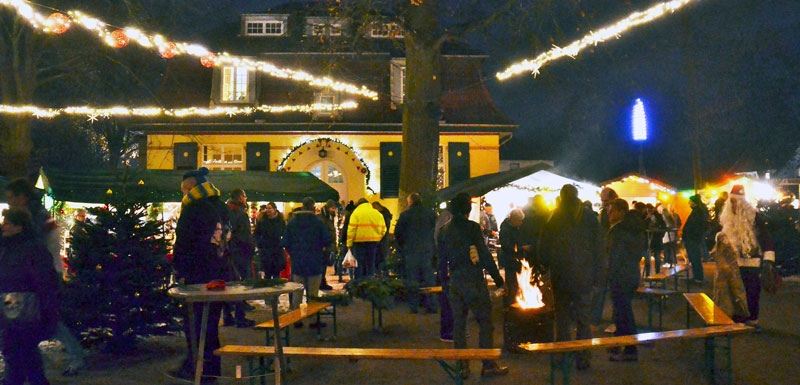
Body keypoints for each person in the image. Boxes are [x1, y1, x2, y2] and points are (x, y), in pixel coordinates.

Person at [6, 178, 86, 376]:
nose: (9, 202)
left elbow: (45, 247)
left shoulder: (38, 217)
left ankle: (70, 357)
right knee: (27, 322)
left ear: (22, 197)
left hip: (41, 275)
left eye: (11, 198)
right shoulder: (33, 215)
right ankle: (23, 366)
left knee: (47, 318)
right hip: (33, 275)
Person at [437, 192, 508, 378]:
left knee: (459, 326)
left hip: (455, 282)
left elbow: (440, 261)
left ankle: (462, 366)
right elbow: (484, 255)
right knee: (485, 322)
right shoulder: (472, 228)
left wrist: (445, 283)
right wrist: (499, 280)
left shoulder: (444, 230)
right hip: (474, 281)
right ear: (467, 210)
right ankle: (488, 364)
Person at [170, 167, 229, 384]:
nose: (183, 194)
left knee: (194, 325)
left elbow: (183, 243)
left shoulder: (193, 208)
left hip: (197, 276)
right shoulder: (220, 207)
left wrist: (179, 270)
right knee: (211, 325)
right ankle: (211, 369)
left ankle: (198, 370)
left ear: (194, 188)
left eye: (186, 189)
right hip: (220, 274)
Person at [539, 185, 600, 370]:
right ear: (577, 196)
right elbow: (599, 248)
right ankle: (584, 358)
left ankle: (562, 357)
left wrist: (545, 265)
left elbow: (544, 245)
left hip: (561, 276)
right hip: (583, 275)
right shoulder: (589, 217)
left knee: (562, 318)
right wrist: (597, 275)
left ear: (561, 196)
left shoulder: (554, 216)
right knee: (583, 317)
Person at [0, 208, 61, 385]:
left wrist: (47, 308)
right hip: (11, 304)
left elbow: (44, 281)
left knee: (20, 349)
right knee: (21, 351)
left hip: (25, 306)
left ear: (19, 227)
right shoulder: (9, 245)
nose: (4, 226)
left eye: (8, 223)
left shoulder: (30, 249)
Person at [717, 185, 776, 328]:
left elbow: (765, 238)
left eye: (736, 201)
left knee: (752, 291)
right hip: (733, 262)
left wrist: (768, 260)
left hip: (751, 262)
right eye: (731, 201)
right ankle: (739, 318)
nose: (733, 204)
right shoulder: (727, 218)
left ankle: (753, 318)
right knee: (735, 291)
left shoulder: (754, 217)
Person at [283, 197, 333, 328]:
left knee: (297, 293)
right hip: (315, 262)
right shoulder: (318, 222)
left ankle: (296, 319)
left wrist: (293, 253)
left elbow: (285, 242)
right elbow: (327, 240)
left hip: (298, 262)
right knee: (313, 294)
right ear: (313, 207)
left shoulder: (292, 223)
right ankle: (312, 320)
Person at [605, 198, 644, 361]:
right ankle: (619, 343)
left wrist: (608, 275)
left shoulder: (620, 231)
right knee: (621, 312)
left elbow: (615, 257)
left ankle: (630, 350)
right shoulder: (631, 228)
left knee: (624, 314)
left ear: (621, 212)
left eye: (611, 210)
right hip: (630, 275)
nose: (608, 213)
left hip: (621, 277)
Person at [394, 192, 438, 313]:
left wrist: (402, 247)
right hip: (427, 250)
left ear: (411, 202)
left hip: (411, 251)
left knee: (412, 279)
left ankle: (414, 306)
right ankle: (431, 304)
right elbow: (437, 231)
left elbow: (398, 234)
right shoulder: (431, 214)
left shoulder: (405, 215)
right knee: (429, 278)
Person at [222, 188, 256, 328]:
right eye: (245, 197)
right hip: (240, 253)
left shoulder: (225, 211)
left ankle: (227, 316)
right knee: (241, 285)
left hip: (227, 253)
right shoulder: (240, 214)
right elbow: (245, 236)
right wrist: (250, 249)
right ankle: (240, 317)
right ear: (241, 198)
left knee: (228, 284)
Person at [498, 208, 525, 351]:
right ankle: (510, 305)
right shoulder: (507, 229)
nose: (521, 224)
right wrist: (520, 248)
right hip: (510, 262)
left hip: (513, 261)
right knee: (512, 285)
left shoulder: (512, 228)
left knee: (515, 285)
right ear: (514, 220)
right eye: (519, 221)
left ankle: (512, 302)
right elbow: (507, 246)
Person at [590, 187, 616, 330]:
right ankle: (595, 319)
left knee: (610, 289)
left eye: (604, 199)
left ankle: (611, 320)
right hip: (604, 254)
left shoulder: (614, 211)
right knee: (600, 289)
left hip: (611, 255)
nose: (602, 201)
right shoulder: (604, 212)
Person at [346, 198, 386, 278]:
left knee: (359, 266)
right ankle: (369, 284)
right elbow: (384, 230)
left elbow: (351, 230)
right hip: (373, 243)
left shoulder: (356, 213)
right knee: (370, 265)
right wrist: (377, 238)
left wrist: (349, 244)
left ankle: (359, 284)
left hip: (358, 243)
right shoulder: (377, 213)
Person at [435, 203, 454, 342]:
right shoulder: (447, 223)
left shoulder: (444, 220)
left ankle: (450, 331)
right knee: (448, 299)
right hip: (447, 265)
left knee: (448, 299)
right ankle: (448, 332)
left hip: (444, 264)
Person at [254, 202, 286, 279]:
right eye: (267, 208)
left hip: (277, 249)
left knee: (276, 274)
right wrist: (259, 244)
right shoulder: (262, 220)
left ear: (275, 209)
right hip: (265, 249)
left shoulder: (280, 221)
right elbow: (256, 233)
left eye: (270, 208)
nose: (268, 210)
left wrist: (282, 243)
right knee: (267, 273)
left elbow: (285, 233)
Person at [683, 195, 710, 283]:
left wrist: (689, 234)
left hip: (692, 238)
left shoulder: (697, 212)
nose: (688, 203)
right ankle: (697, 276)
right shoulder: (698, 211)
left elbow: (694, 226)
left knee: (695, 257)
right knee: (694, 258)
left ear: (694, 202)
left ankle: (698, 277)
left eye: (690, 201)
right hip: (693, 238)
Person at [318, 199, 338, 291]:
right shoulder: (322, 218)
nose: (334, 210)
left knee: (324, 265)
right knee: (321, 265)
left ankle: (322, 281)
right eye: (332, 208)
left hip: (327, 246)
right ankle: (321, 282)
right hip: (323, 247)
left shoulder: (329, 217)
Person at [645, 204, 666, 276]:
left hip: (656, 238)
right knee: (648, 257)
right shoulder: (645, 216)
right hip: (648, 238)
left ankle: (657, 272)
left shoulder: (658, 216)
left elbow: (663, 225)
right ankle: (648, 274)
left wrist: (660, 233)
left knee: (657, 256)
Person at [371, 201, 393, 274]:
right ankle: (383, 273)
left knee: (381, 258)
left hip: (380, 240)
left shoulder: (383, 216)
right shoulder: (386, 214)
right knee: (383, 258)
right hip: (383, 240)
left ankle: (381, 274)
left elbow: (383, 229)